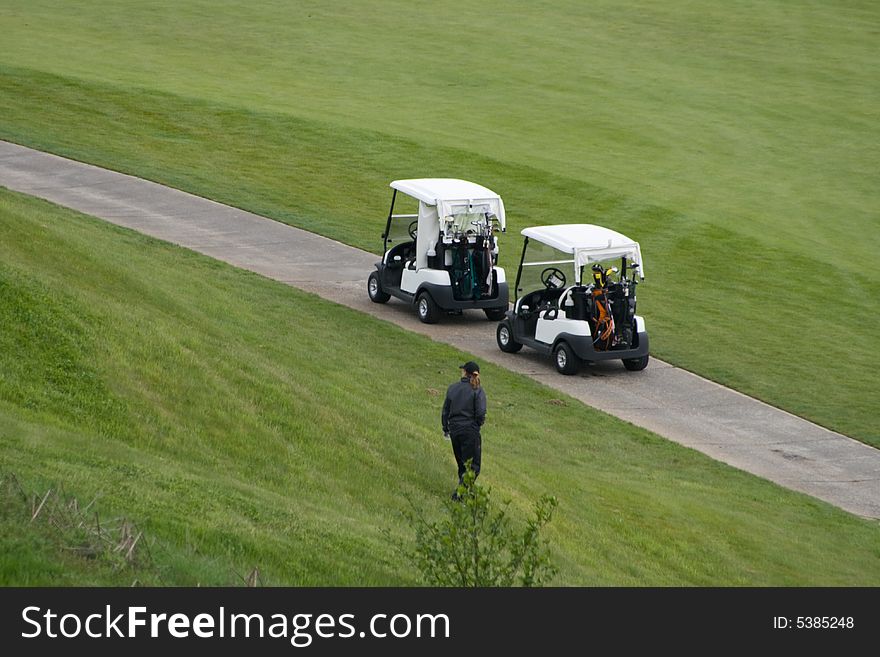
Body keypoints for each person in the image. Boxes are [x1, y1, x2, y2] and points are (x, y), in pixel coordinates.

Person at [441, 360, 487, 498]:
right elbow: (480, 412)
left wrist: (446, 428)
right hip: (470, 431)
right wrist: (477, 425)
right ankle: (459, 496)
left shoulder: (452, 388)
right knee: (473, 466)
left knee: (462, 465)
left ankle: (466, 493)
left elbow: (445, 411)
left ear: (464, 372)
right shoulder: (477, 391)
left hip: (454, 430)